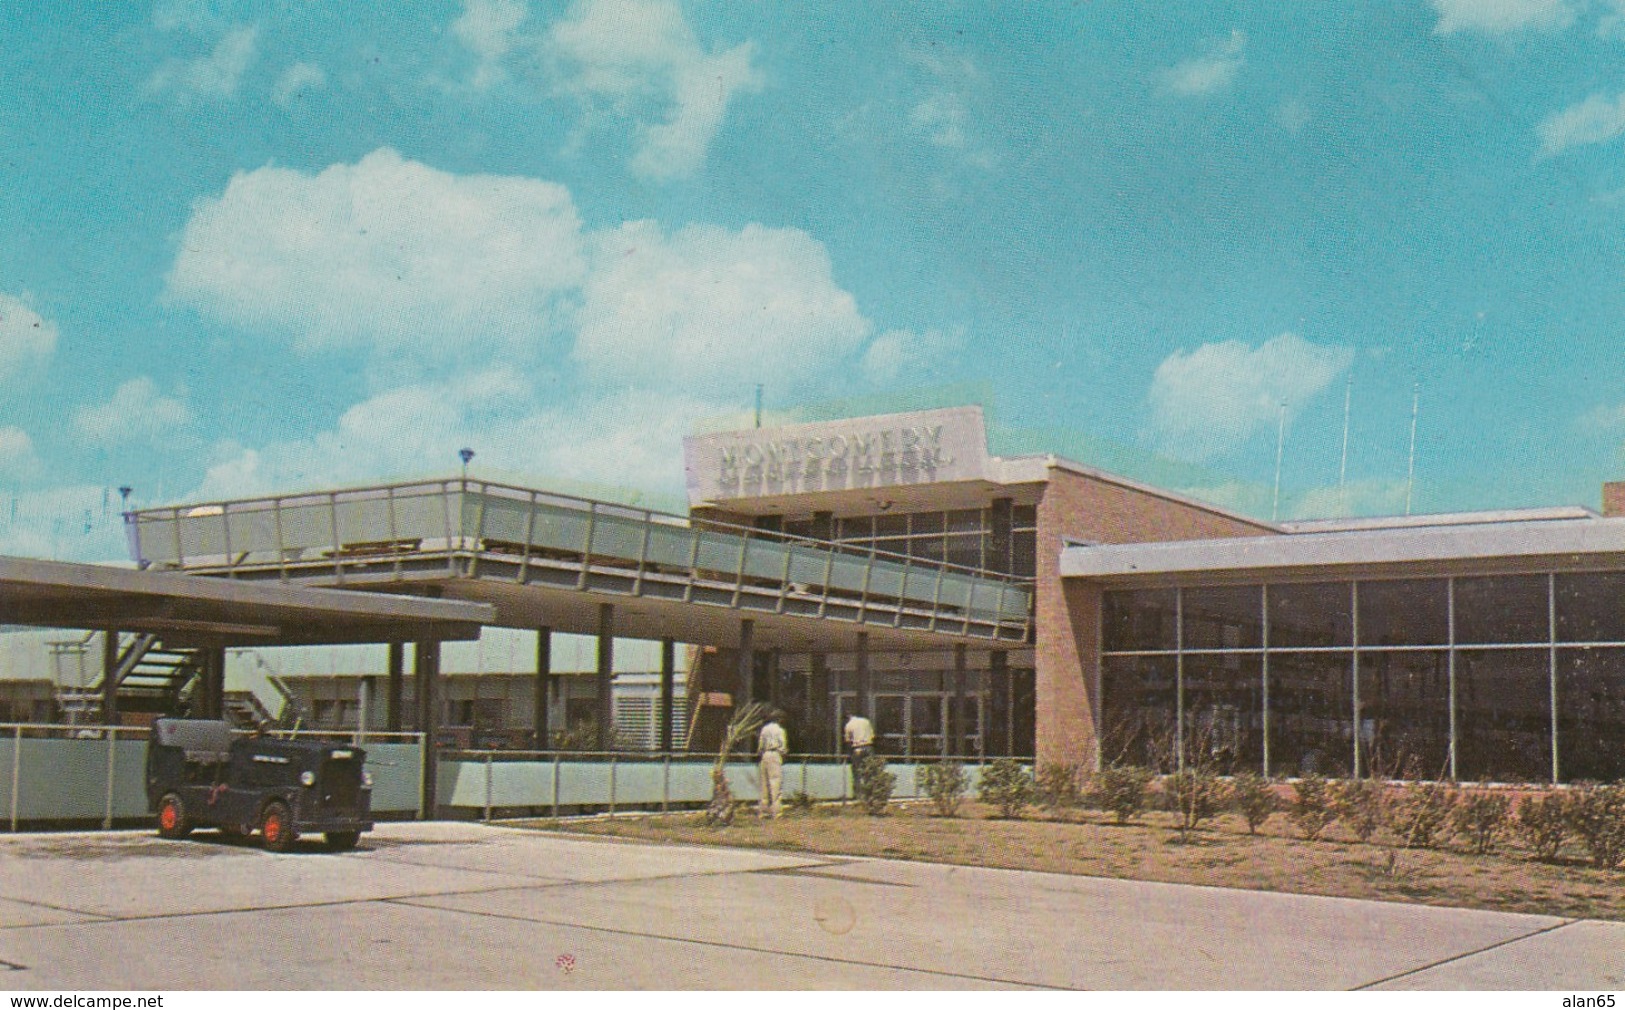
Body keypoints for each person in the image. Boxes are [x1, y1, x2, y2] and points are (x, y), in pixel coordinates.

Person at [756, 710, 789, 819]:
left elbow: (760, 745)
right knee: (775, 783)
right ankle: (776, 812)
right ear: (779, 719)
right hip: (775, 754)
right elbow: (783, 746)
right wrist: (783, 754)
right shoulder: (780, 730)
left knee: (764, 784)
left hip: (765, 754)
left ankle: (763, 811)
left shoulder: (764, 729)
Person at [844, 711, 875, 792]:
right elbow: (872, 735)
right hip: (868, 747)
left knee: (857, 772)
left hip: (857, 748)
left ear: (848, 716)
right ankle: (870, 792)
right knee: (870, 770)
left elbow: (848, 741)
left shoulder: (848, 725)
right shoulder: (866, 722)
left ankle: (859, 794)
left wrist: (849, 753)